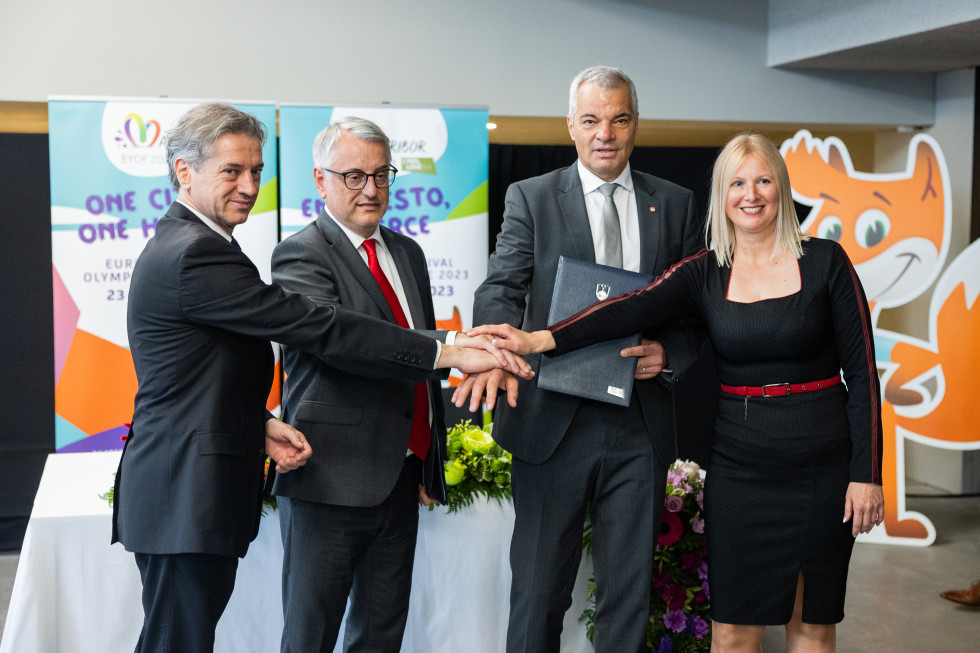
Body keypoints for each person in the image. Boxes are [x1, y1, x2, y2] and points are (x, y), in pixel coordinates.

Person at [111, 103, 527, 653]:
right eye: (231, 170)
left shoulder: (203, 247)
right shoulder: (196, 254)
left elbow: (196, 374)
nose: (248, 184)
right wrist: (449, 350)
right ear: (184, 172)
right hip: (184, 492)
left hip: (194, 491)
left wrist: (258, 423)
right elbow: (321, 328)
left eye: (256, 170)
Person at [469, 133, 886, 653]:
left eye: (762, 181)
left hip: (821, 469)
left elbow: (864, 378)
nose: (750, 194)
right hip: (741, 470)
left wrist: (866, 476)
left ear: (781, 188)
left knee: (814, 627)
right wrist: (541, 338)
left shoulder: (827, 262)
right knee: (732, 630)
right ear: (722, 194)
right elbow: (628, 308)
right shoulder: (705, 271)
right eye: (737, 182)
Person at [455, 66, 704, 653]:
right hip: (552, 424)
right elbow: (502, 288)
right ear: (571, 125)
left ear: (635, 125)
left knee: (627, 597)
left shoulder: (673, 204)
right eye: (591, 120)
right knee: (539, 594)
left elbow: (696, 308)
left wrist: (670, 351)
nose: (605, 134)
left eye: (619, 119)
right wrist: (493, 347)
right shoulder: (533, 197)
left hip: (638, 429)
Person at [270, 117, 490, 653]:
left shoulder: (408, 253)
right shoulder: (301, 255)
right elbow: (350, 343)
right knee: (310, 637)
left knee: (381, 635)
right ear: (321, 181)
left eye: (381, 174)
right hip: (329, 479)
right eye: (353, 176)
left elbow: (413, 349)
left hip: (400, 476)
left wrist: (426, 452)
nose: (371, 189)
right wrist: (449, 348)